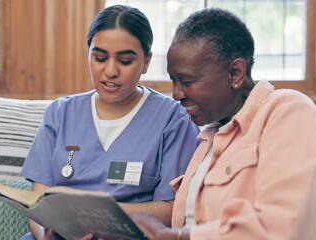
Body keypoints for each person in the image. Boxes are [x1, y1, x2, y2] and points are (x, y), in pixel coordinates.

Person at [131, 8, 316, 240]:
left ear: (235, 73)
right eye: (173, 80)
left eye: (187, 81)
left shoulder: (289, 110)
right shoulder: (211, 135)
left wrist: (179, 237)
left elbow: (287, 228)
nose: (176, 94)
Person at [19, 4, 201, 240]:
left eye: (125, 60)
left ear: (146, 62)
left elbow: (169, 209)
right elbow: (38, 203)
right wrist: (48, 235)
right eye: (100, 58)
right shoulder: (60, 113)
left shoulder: (173, 120)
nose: (110, 71)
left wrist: (94, 220)